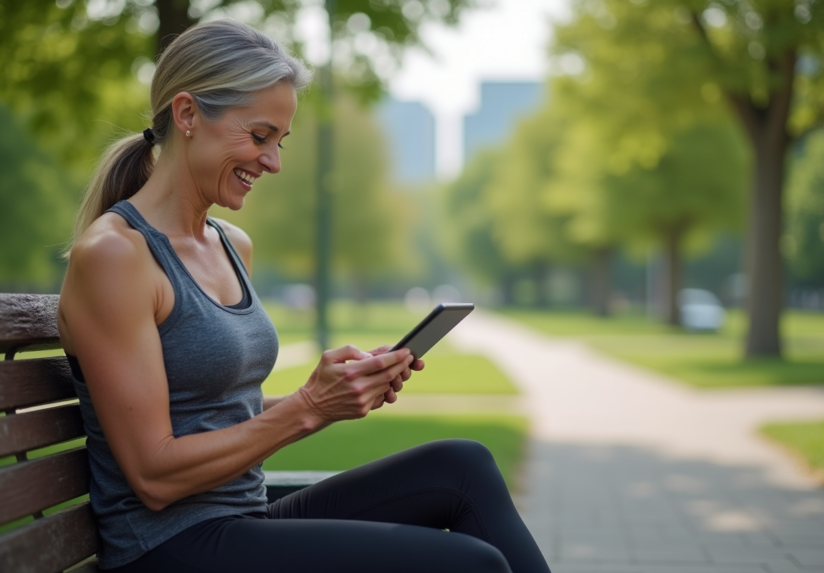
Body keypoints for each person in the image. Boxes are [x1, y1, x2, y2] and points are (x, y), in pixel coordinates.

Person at [57, 19, 551, 573]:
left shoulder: (228, 244)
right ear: (188, 115)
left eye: (279, 141)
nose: (273, 162)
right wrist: (308, 409)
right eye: (260, 136)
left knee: (464, 467)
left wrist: (335, 395)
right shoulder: (116, 257)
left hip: (241, 518)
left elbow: (216, 413)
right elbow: (153, 474)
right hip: (168, 547)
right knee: (467, 564)